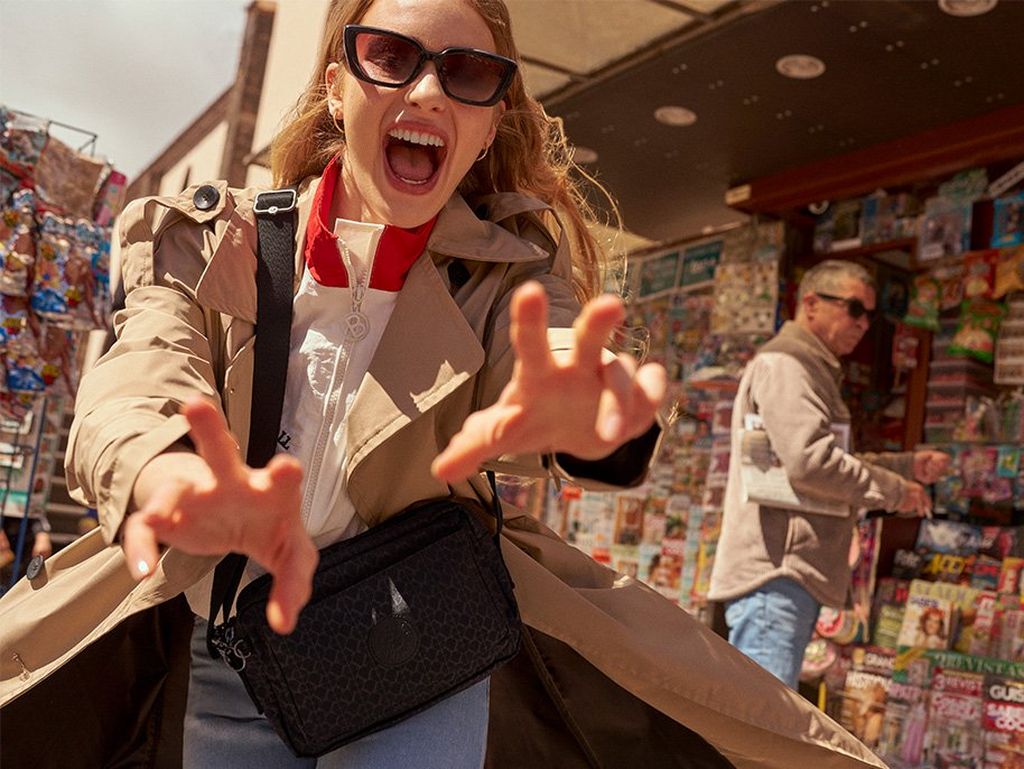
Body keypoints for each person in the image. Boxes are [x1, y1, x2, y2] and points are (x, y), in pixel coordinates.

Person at [0, 5, 894, 769]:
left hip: (419, 647)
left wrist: (590, 418)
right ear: (337, 83)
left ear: (493, 115)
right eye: (391, 57)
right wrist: (168, 477)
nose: (427, 91)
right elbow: (138, 377)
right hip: (231, 648)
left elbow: (541, 357)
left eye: (467, 72)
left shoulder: (509, 275)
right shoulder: (203, 236)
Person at [708, 259, 950, 689]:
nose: (863, 324)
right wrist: (896, 491)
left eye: (870, 316)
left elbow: (825, 459)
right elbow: (811, 462)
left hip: (785, 576)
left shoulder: (809, 368)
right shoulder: (788, 365)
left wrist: (905, 465)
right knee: (763, 731)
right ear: (812, 303)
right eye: (855, 309)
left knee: (760, 724)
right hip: (776, 574)